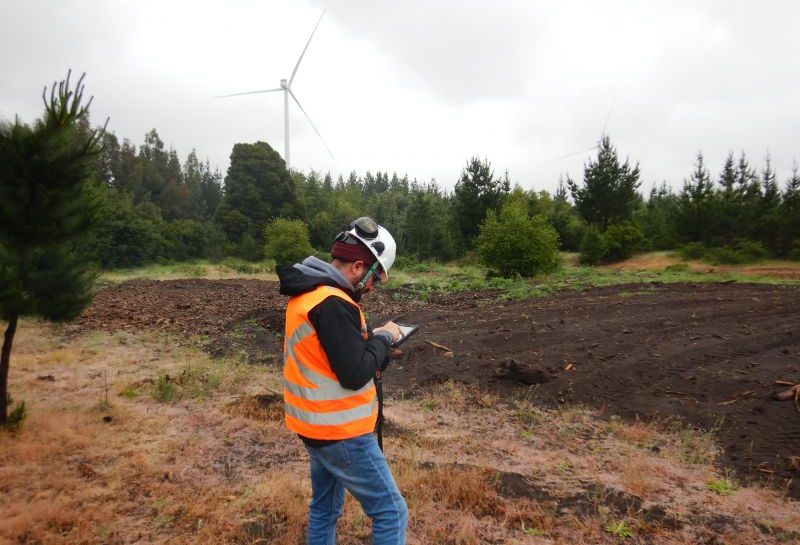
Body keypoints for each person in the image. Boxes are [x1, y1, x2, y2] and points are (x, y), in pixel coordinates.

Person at [277, 217, 408, 545]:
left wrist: (373, 343)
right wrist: (385, 339)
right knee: (391, 511)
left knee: (324, 508)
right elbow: (353, 374)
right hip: (342, 434)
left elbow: (333, 358)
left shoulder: (311, 293)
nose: (371, 287)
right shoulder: (333, 303)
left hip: (314, 427)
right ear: (359, 267)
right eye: (374, 278)